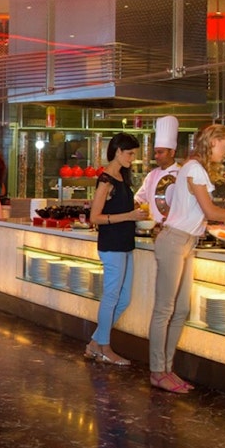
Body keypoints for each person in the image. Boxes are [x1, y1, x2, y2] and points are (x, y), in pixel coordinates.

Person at [148, 124, 225, 393]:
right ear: (213, 142)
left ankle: (167, 369)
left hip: (187, 242)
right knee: (164, 310)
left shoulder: (198, 169)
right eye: (224, 147)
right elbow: (210, 211)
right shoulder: (194, 169)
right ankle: (157, 371)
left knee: (180, 310)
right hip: (174, 240)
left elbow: (204, 214)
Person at [86, 133, 149, 365]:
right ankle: (104, 347)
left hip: (124, 243)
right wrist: (129, 215)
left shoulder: (122, 178)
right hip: (111, 244)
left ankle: (95, 343)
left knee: (123, 299)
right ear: (118, 151)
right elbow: (95, 217)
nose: (133, 158)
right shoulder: (106, 180)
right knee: (112, 297)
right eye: (130, 153)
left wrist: (134, 212)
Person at [134, 115, 181, 227]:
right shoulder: (152, 175)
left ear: (172, 153)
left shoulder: (182, 174)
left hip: (174, 229)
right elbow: (139, 199)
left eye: (160, 152)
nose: (156, 156)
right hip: (152, 227)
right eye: (155, 152)